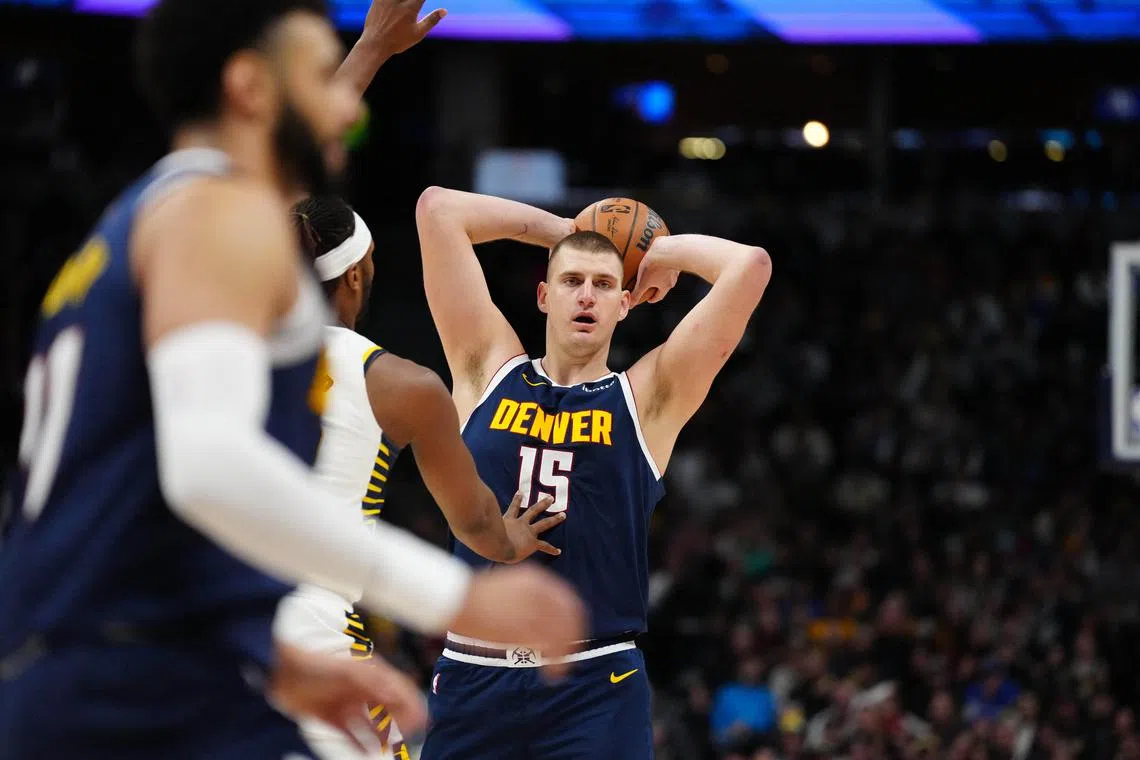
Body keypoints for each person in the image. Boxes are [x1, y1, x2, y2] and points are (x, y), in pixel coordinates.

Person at [0, 4, 584, 758]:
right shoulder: (214, 216)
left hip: (98, 659)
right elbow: (209, 470)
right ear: (249, 87)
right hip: (129, 675)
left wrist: (274, 665)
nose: (346, 107)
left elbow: (144, 511)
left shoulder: (137, 225)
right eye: (318, 76)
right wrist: (456, 596)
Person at [415, 187, 772, 759]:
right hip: (474, 676)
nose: (587, 296)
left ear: (626, 303)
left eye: (605, 285)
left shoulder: (648, 398)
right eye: (572, 281)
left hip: (594, 681)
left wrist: (664, 252)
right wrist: (566, 229)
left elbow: (749, 265)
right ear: (543, 295)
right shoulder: (486, 366)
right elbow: (438, 210)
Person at [281, 195, 565, 759]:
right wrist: (513, 541)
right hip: (312, 632)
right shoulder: (402, 386)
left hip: (204, 627)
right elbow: (479, 522)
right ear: (357, 275)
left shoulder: (223, 353)